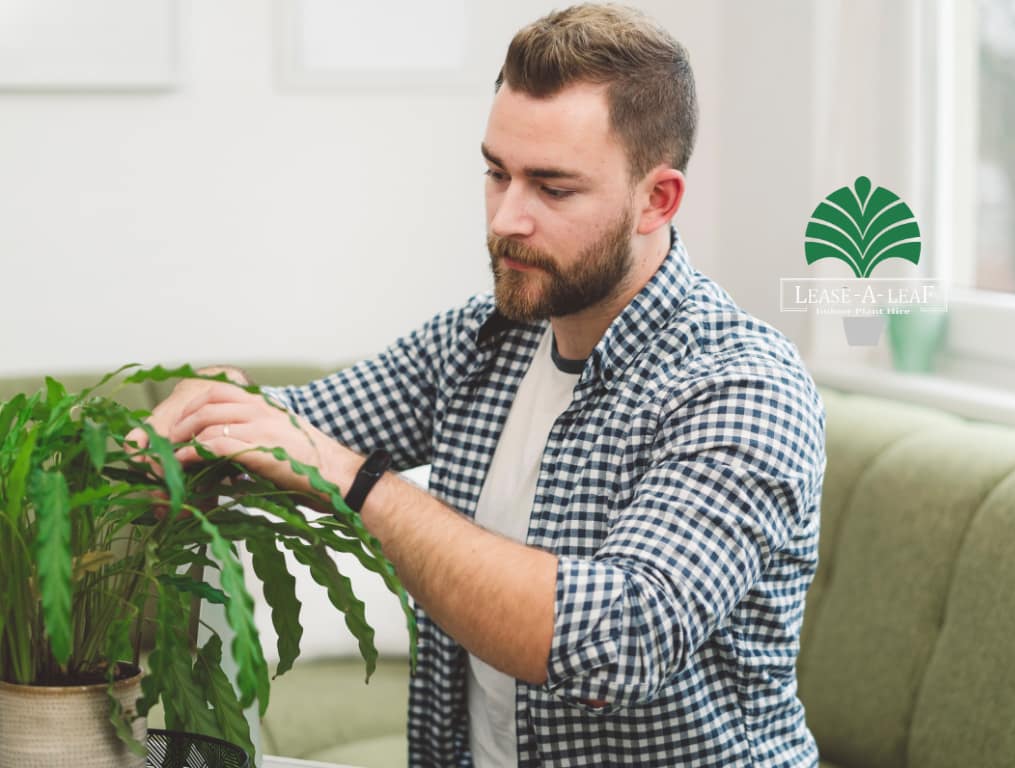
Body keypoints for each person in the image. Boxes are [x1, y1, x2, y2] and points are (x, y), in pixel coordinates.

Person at [135, 4, 826, 766]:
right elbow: (289, 429)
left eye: (553, 189)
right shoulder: (479, 342)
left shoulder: (743, 386)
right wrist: (214, 416)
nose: (507, 219)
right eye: (497, 173)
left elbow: (615, 643)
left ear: (656, 200)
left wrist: (359, 483)